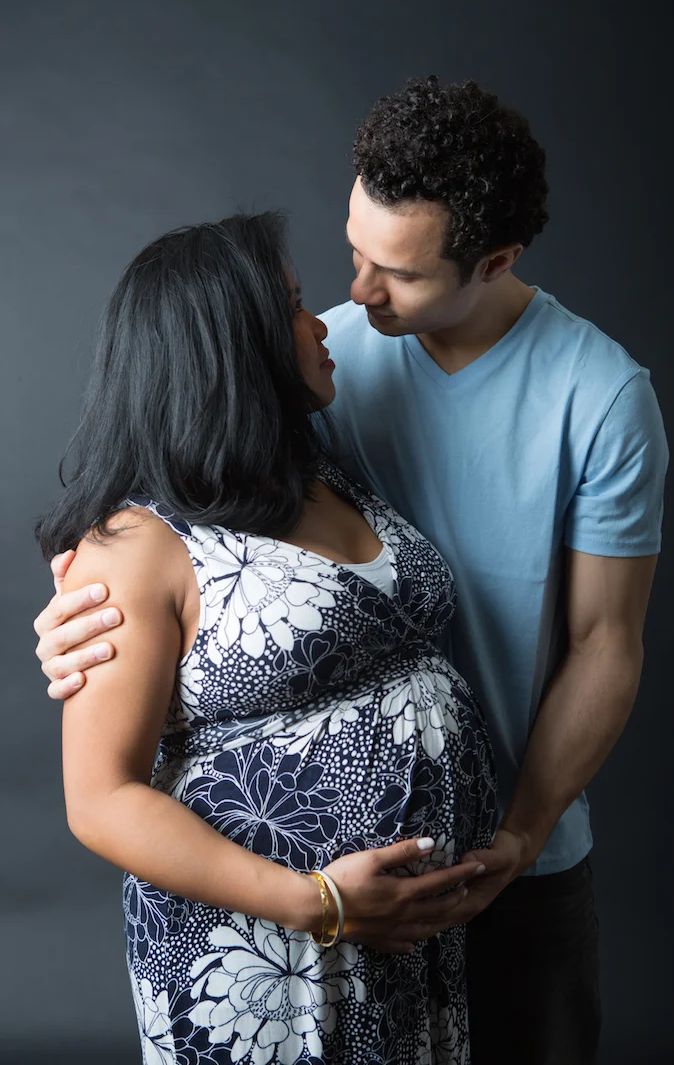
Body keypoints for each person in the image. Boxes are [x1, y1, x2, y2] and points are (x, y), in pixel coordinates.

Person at [34, 77, 669, 1064]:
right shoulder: (310, 373)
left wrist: (522, 832)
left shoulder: (602, 398)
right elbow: (185, 521)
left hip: (517, 857)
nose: (358, 298)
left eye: (399, 274)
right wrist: (79, 614)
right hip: (306, 911)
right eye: (353, 254)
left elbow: (604, 643)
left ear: (495, 261)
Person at [35, 211, 497, 1064]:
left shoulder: (324, 473)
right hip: (260, 955)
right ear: (229, 345)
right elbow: (100, 799)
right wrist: (317, 902)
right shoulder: (135, 546)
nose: (321, 324)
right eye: (292, 307)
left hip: (405, 937)